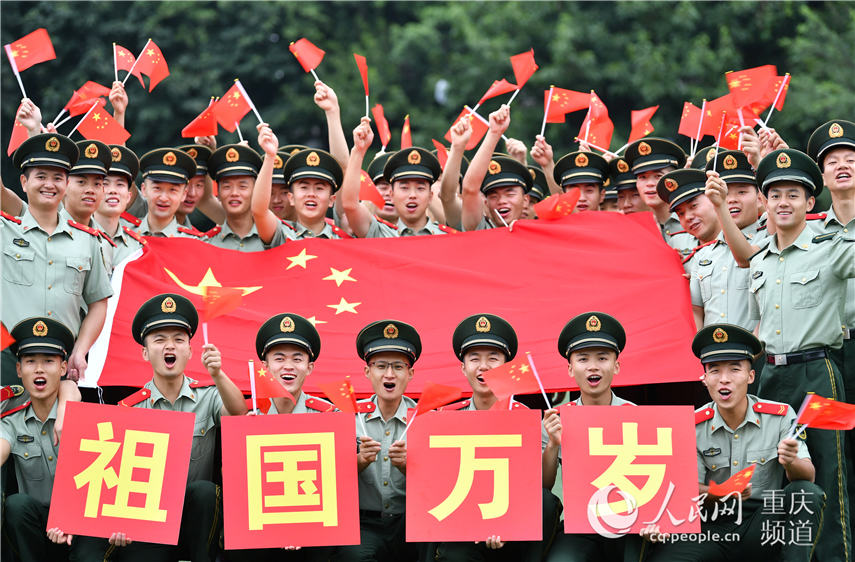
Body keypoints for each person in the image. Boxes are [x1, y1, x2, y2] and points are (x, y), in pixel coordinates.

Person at [715, 148, 853, 562]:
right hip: (771, 376)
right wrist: (721, 207)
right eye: (774, 195)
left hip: (819, 374)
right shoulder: (759, 256)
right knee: (774, 474)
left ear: (811, 203)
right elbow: (740, 253)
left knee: (830, 472)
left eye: (794, 195)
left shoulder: (830, 246)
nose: (783, 203)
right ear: (764, 202)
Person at [75, 293, 247, 561]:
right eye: (159, 340)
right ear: (145, 352)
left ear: (190, 350)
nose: (170, 346)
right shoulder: (129, 410)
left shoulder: (210, 394)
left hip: (195, 518)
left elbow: (238, 414)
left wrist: (218, 374)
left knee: (204, 492)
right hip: (149, 522)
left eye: (179, 340)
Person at [646, 324, 823, 561]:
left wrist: (790, 461)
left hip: (761, 522)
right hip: (711, 524)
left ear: (751, 376)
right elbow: (689, 492)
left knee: (806, 493)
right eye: (715, 371)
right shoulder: (691, 424)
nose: (724, 380)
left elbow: (807, 477)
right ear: (705, 379)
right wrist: (723, 493)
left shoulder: (779, 416)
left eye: (735, 370)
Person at [429, 314, 562, 561]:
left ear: (506, 366)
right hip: (462, 524)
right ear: (463, 367)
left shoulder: (525, 418)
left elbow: (543, 486)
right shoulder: (446, 418)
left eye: (493, 358)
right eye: (474, 358)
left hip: (516, 528)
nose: (483, 366)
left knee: (546, 502)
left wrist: (553, 444)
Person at [3, 134, 112, 385]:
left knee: (59, 424)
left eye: (58, 178)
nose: (49, 185)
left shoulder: (86, 240)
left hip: (61, 364)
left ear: (65, 184)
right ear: (23, 182)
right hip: (8, 359)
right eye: (41, 176)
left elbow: (98, 303)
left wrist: (80, 351)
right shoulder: (4, 230)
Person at [227, 313, 334, 562]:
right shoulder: (249, 415)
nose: (288, 366)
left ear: (310, 366)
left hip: (313, 525)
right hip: (256, 524)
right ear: (265, 366)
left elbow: (332, 485)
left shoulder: (328, 416)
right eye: (279, 358)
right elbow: (236, 482)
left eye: (297, 359)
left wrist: (297, 528)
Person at [542, 312, 641, 562]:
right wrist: (553, 445)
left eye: (603, 358)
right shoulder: (557, 419)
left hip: (630, 524)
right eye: (583, 359)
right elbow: (544, 487)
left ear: (616, 366)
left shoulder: (637, 416)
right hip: (580, 526)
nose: (593, 366)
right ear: (570, 368)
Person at [333, 320, 421, 562]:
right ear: (367, 372)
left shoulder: (426, 420)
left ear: (410, 373)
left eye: (398, 367)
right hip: (363, 523)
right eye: (381, 366)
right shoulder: (345, 417)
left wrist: (409, 467)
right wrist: (358, 461)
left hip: (414, 522)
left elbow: (443, 482)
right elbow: (326, 479)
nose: (389, 374)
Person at [807, 119, 855, 543]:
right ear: (821, 177)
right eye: (832, 162)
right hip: (828, 357)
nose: (842, 166)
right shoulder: (811, 231)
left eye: (851, 160)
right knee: (837, 456)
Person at [1, 318, 80, 561]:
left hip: (80, 523)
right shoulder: (11, 418)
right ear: (18, 370)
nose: (39, 369)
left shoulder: (81, 411)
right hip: (38, 523)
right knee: (16, 506)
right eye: (30, 362)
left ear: (64, 367)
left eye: (48, 361)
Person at [691, 150, 765, 330]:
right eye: (724, 192)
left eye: (741, 192)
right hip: (713, 355)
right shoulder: (703, 255)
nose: (730, 200)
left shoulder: (771, 240)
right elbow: (696, 312)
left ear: (760, 199)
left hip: (758, 352)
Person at [340, 118, 452, 237]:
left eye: (420, 188)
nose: (412, 195)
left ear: (430, 196)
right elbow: (350, 205)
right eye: (404, 188)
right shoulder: (380, 233)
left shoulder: (446, 237)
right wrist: (358, 150)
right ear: (392, 194)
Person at [252, 124, 348, 241]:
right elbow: (259, 212)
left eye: (319, 188)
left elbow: (344, 167)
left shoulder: (341, 238)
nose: (311, 194)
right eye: (304, 187)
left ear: (331, 200)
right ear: (291, 197)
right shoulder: (280, 234)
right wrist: (270, 156)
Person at [461, 106, 532, 230]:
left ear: (525, 200)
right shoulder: (481, 230)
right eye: (493, 196)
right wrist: (494, 132)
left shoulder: (537, 234)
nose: (501, 201)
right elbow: (470, 189)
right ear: (486, 203)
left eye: (510, 193)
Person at [624, 138, 696, 258]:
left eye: (658, 176)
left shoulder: (693, 222)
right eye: (642, 177)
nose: (649, 184)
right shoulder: (633, 229)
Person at [204, 143, 282, 251]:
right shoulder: (207, 244)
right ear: (218, 194)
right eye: (227, 187)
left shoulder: (276, 237)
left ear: (255, 191)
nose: (234, 193)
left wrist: (270, 156)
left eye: (242, 186)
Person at [656, 169, 722, 273]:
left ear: (714, 198)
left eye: (693, 206)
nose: (687, 217)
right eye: (680, 213)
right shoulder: (676, 244)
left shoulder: (742, 243)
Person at [65, 140, 116, 274]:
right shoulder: (49, 229)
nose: (90, 190)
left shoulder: (104, 243)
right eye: (81, 182)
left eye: (97, 184)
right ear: (64, 185)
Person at [132, 148, 204, 238]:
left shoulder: (194, 244)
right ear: (144, 189)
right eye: (157, 188)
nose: (163, 198)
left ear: (184, 194)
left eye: (172, 190)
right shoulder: (124, 238)